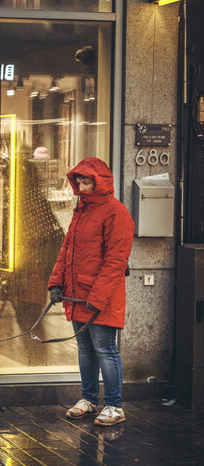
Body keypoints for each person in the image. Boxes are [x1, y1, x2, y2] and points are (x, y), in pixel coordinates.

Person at [48, 157, 134, 426]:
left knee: (105, 349)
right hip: (77, 294)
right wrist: (56, 283)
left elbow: (115, 263)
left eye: (87, 182)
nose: (83, 187)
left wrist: (96, 298)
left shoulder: (116, 213)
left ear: (100, 183)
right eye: (80, 182)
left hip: (101, 298)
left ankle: (114, 405)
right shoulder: (81, 211)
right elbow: (67, 251)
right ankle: (88, 399)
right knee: (85, 348)